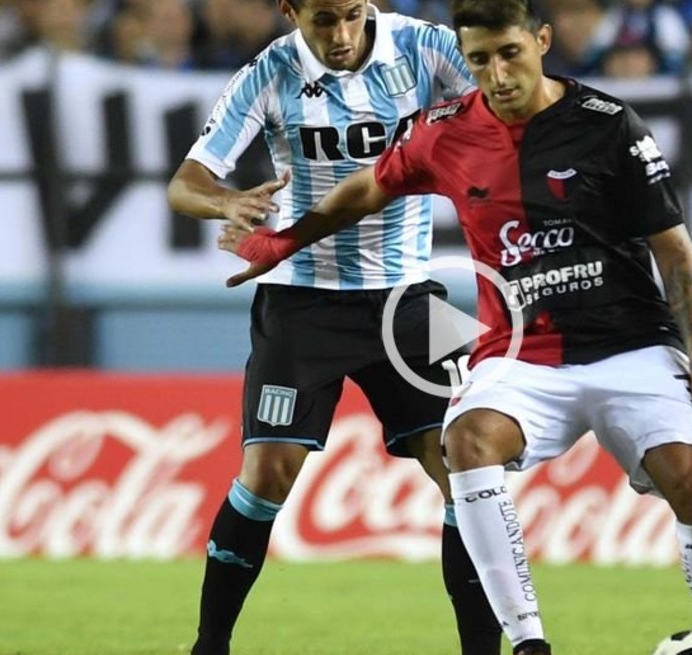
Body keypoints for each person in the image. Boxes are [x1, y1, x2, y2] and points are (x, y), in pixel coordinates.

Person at [218, 2, 692, 654]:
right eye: (479, 60)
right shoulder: (443, 131)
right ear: (464, 61)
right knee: (466, 440)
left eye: (509, 54)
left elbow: (675, 252)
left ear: (541, 42)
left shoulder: (608, 123)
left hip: (631, 343)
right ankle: (527, 643)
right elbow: (365, 188)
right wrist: (286, 241)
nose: (496, 74)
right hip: (518, 351)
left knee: (691, 479)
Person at [164, 1, 501, 654]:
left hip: (410, 296)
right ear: (290, 11)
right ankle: (209, 645)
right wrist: (227, 201)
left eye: (351, 13)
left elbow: (506, 106)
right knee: (267, 474)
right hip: (302, 299)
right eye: (323, 19)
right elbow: (186, 182)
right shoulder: (268, 74)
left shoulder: (425, 47)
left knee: (472, 468)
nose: (341, 34)